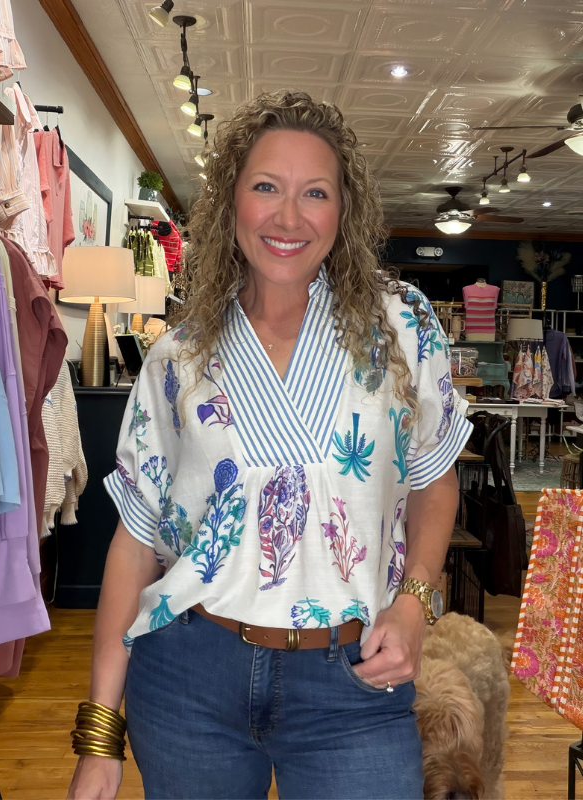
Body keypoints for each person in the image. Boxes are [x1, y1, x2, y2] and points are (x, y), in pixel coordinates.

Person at [67, 90, 472, 800]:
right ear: (231, 201)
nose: (289, 217)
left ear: (343, 211)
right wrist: (100, 735)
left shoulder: (400, 327)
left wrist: (415, 602)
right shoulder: (179, 357)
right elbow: (134, 543)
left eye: (315, 192)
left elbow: (435, 479)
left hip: (353, 679)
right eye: (265, 187)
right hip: (189, 674)